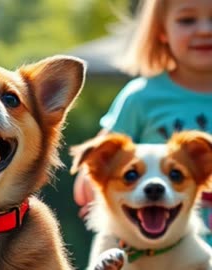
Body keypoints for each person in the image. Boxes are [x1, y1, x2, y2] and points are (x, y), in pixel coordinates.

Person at [73, 0, 212, 245]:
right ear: (160, 31)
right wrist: (97, 187)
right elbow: (93, 171)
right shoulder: (141, 97)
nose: (204, 30)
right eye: (187, 20)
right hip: (152, 254)